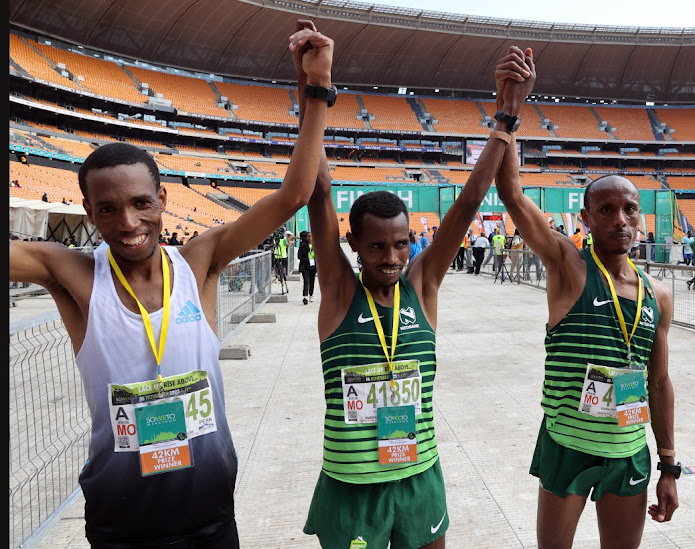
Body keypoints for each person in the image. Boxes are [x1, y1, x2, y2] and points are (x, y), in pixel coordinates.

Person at [8, 24, 334, 548]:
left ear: (161, 200)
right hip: (123, 520)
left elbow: (295, 193)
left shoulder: (198, 261)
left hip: (207, 508)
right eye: (108, 209)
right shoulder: (71, 273)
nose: (128, 222)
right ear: (88, 211)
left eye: (141, 204)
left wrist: (315, 90)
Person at [299, 26, 536, 548]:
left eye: (402, 244)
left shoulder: (422, 285)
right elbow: (319, 193)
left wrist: (506, 114)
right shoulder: (339, 292)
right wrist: (314, 88)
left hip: (418, 475)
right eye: (378, 247)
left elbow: (470, 202)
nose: (392, 258)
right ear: (354, 245)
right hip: (353, 485)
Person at [496, 91, 678, 549]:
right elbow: (512, 193)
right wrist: (509, 112)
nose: (620, 219)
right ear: (586, 218)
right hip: (568, 443)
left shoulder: (658, 295)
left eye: (629, 209)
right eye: (606, 210)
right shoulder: (568, 267)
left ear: (640, 216)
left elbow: (658, 382)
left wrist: (669, 464)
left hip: (629, 450)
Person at [298, 230, 317, 304]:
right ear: (306, 238)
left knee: (312, 281)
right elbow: (299, 256)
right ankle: (305, 296)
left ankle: (311, 295)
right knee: (306, 281)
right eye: (309, 236)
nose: (310, 238)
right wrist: (307, 260)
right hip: (305, 266)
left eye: (312, 236)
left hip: (313, 266)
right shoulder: (303, 245)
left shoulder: (317, 245)